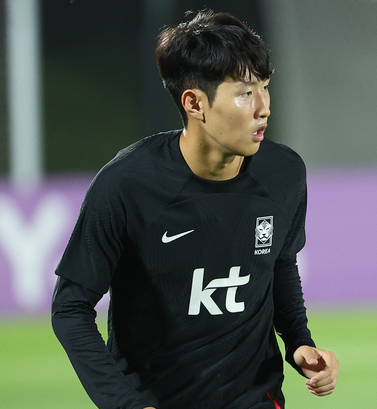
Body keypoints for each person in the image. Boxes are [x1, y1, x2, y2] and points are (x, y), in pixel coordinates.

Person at [51, 9, 338, 409]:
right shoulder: (127, 185)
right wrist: (125, 404)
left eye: (265, 87)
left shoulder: (284, 173)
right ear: (195, 103)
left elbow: (278, 263)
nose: (263, 107)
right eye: (245, 92)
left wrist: (299, 341)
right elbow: (70, 308)